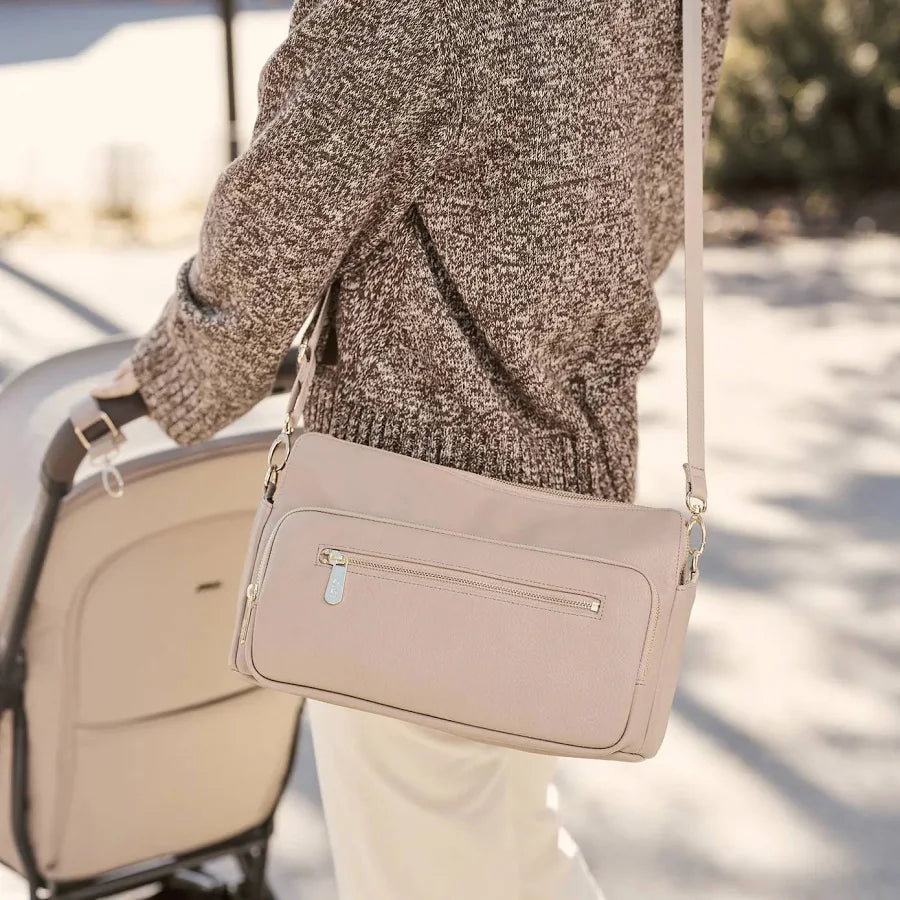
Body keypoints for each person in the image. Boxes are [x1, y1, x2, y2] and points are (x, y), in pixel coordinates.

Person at [96, 1, 731, 896]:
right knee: (501, 842)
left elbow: (300, 180)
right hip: (571, 468)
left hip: (409, 488)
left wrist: (183, 365)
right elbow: (654, 188)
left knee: (440, 854)